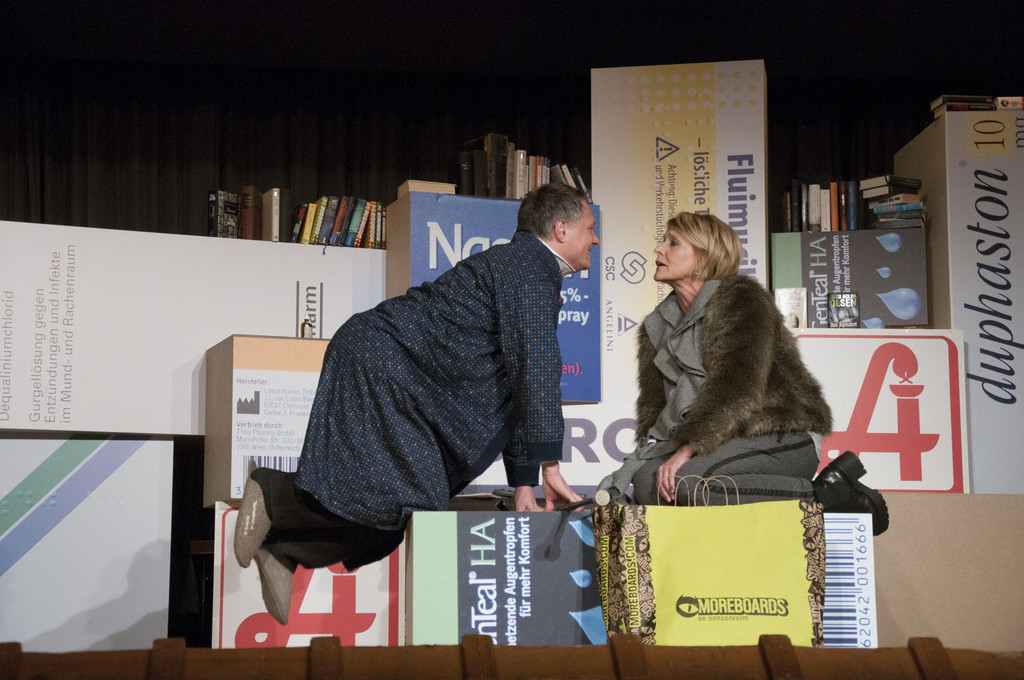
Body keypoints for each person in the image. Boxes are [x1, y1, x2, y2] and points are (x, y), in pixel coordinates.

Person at [234, 183, 597, 624]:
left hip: (393, 373)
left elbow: (519, 383)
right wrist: (549, 466)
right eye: (590, 228)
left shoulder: (526, 268)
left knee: (394, 521)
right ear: (561, 230)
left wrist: (524, 482)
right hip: (390, 371)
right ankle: (273, 492)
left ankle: (283, 550)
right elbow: (536, 370)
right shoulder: (530, 270)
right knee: (399, 505)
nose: (595, 239)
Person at [596, 211, 888, 534]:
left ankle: (826, 495)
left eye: (673, 243)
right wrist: (646, 458)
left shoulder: (741, 299)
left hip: (779, 430)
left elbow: (737, 389)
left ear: (703, 257)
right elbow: (656, 409)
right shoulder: (656, 327)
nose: (658, 249)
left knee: (688, 482)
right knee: (647, 483)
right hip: (718, 439)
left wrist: (687, 450)